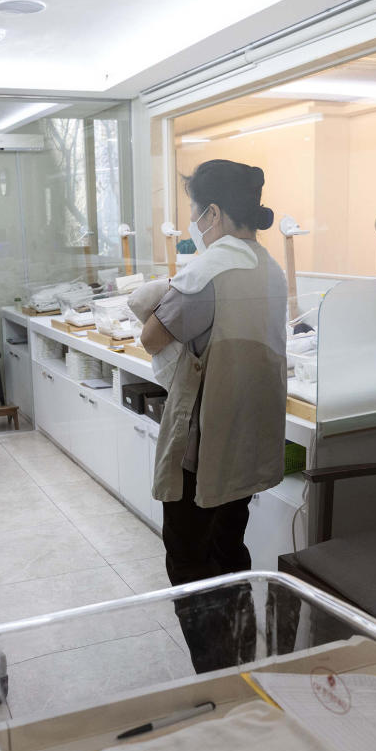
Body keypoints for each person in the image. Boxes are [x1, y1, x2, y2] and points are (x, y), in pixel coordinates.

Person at [139, 159, 288, 671]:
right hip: (246, 436)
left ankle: (215, 671)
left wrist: (160, 295)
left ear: (215, 212)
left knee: (189, 561)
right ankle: (243, 658)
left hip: (203, 446)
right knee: (230, 548)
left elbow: (152, 337)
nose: (196, 224)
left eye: (197, 213)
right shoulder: (269, 266)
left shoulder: (207, 269)